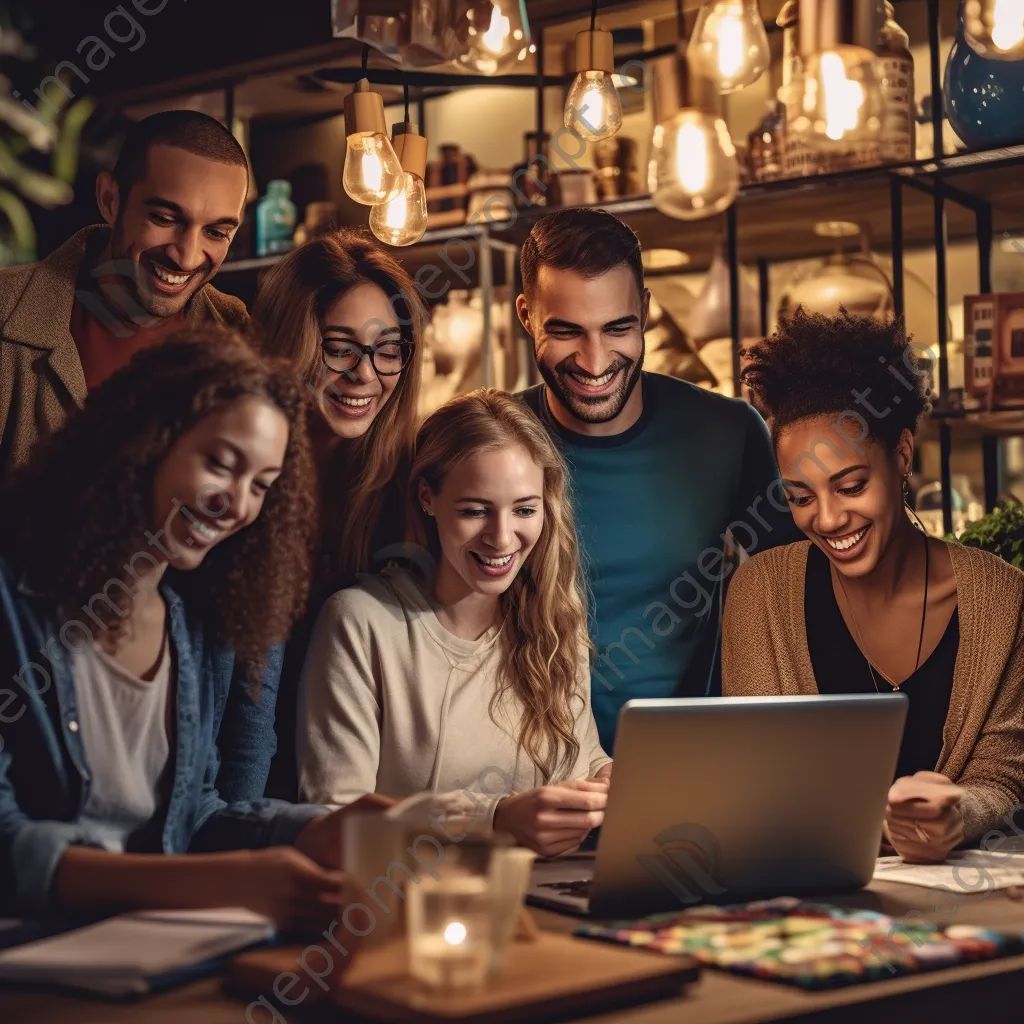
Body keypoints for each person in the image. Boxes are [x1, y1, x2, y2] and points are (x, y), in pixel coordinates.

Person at [0, 330, 368, 924]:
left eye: (262, 485)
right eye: (221, 465)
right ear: (144, 442)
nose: (240, 504)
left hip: (149, 953)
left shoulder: (193, 623)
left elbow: (189, 817)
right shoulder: (11, 596)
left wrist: (318, 831)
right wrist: (221, 883)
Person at [722, 310, 1024, 864]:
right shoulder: (760, 595)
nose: (829, 519)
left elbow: (1004, 774)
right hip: (808, 897)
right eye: (800, 497)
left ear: (903, 454)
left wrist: (957, 814)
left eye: (851, 485)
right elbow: (759, 775)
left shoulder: (1004, 600)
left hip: (954, 902)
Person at [516, 208, 798, 753]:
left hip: (693, 764)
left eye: (617, 328)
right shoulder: (488, 444)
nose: (595, 361)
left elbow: (794, 604)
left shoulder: (728, 432)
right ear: (527, 316)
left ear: (644, 311)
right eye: (567, 331)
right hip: (529, 771)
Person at [297, 389, 611, 858]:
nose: (502, 537)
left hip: (549, 899)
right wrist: (495, 819)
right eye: (474, 510)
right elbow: (334, 820)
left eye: (525, 509)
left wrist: (609, 782)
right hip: (411, 906)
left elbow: (583, 760)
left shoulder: (555, 620)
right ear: (428, 497)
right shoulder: (361, 623)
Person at [246, 230, 423, 801]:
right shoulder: (237, 476)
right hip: (235, 786)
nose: (365, 374)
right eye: (338, 346)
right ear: (290, 343)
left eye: (388, 348)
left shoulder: (410, 485)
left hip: (362, 791)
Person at [0, 109, 249, 480]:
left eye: (216, 232)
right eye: (165, 219)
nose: (186, 256)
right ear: (110, 200)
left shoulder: (239, 329)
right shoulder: (6, 308)